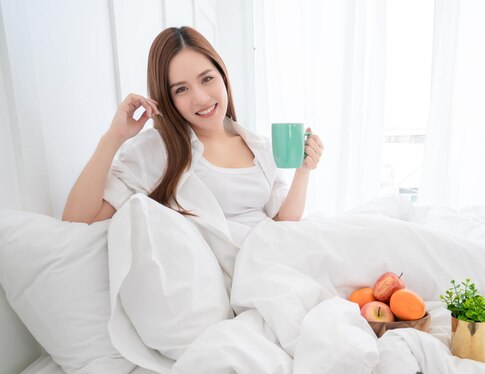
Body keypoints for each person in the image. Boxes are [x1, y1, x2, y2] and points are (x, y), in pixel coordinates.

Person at [62, 26, 324, 235]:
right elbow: (77, 221)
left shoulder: (259, 145)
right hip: (231, 280)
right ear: (167, 99)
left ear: (223, 76)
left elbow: (283, 222)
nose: (200, 98)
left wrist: (303, 171)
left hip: (273, 258)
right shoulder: (157, 150)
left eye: (207, 79)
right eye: (181, 89)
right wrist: (113, 138)